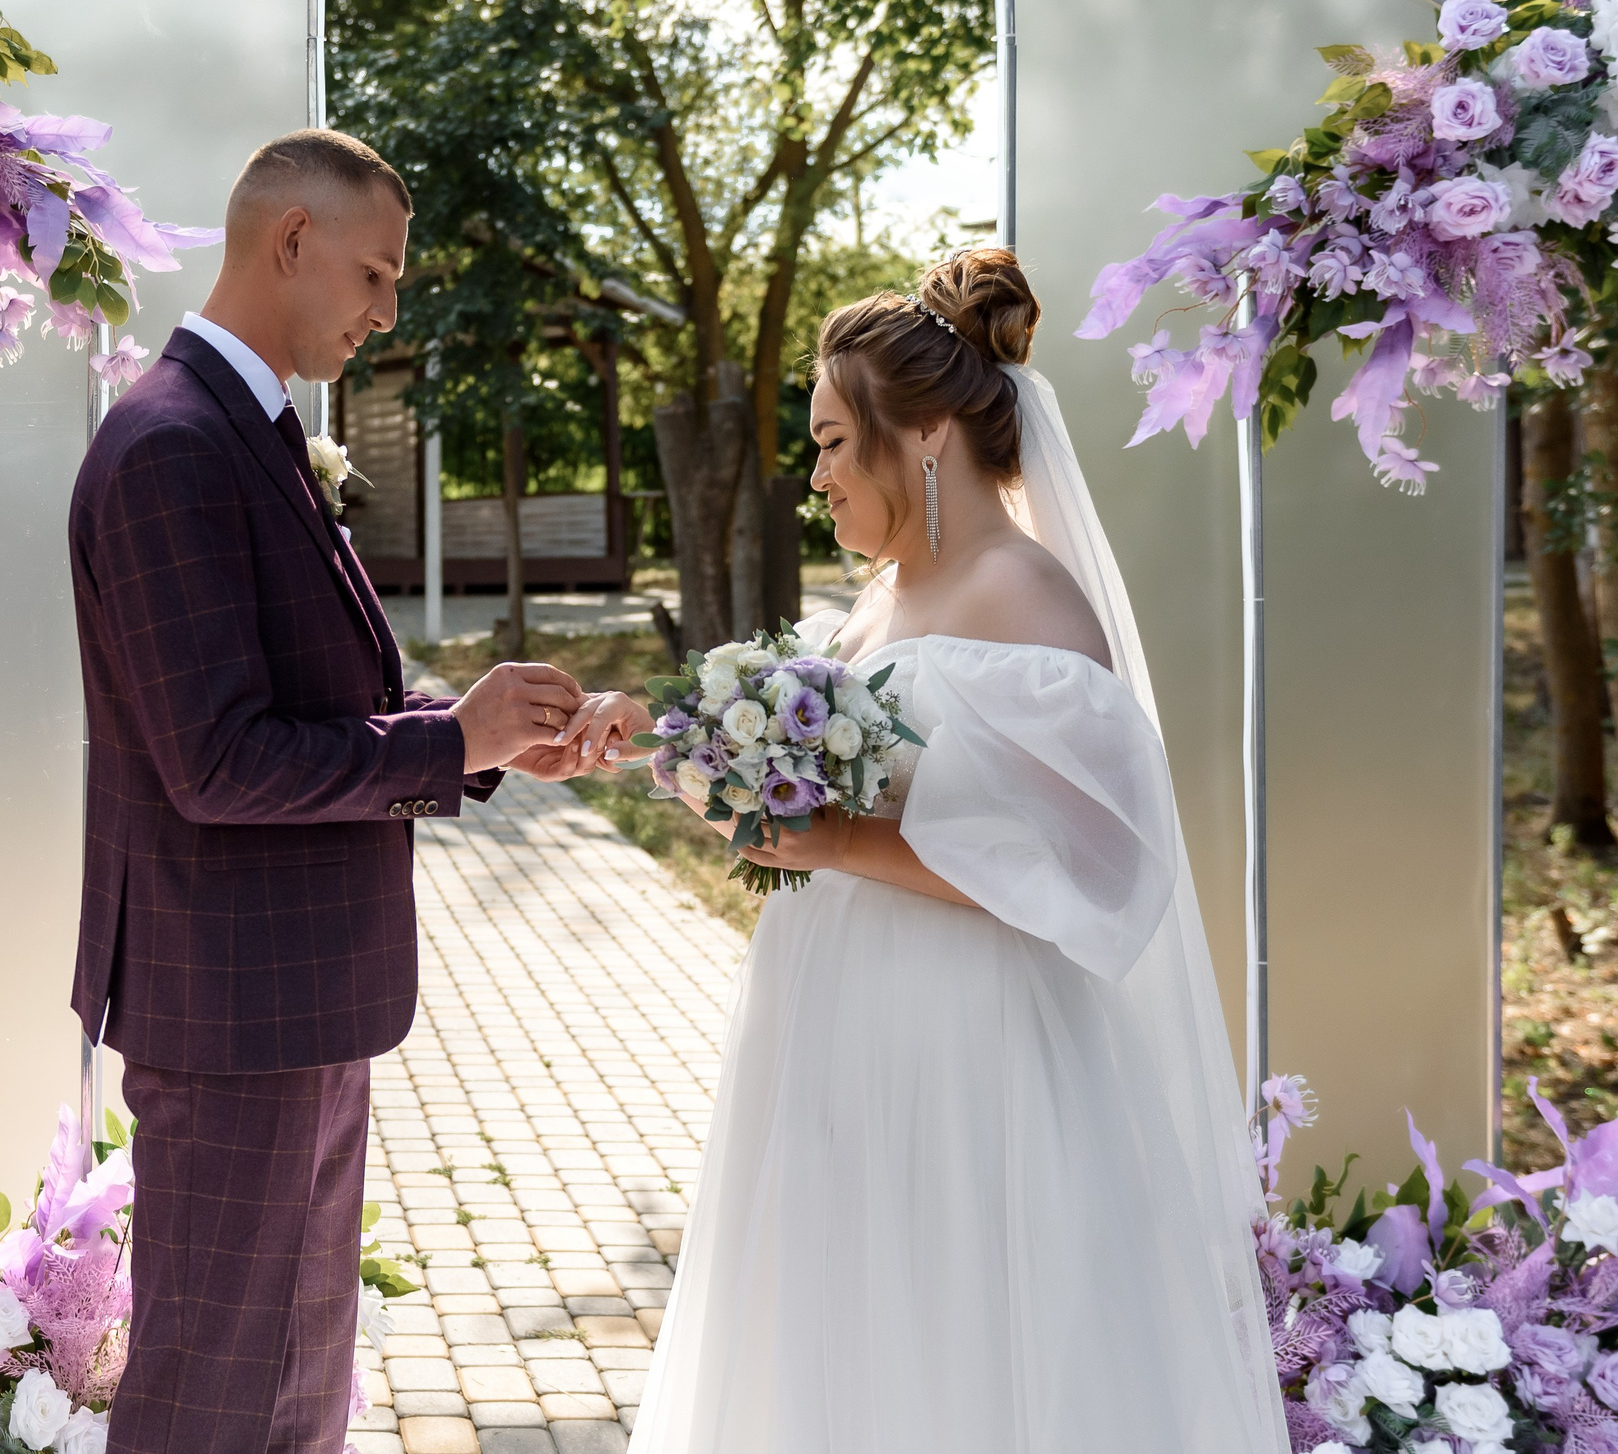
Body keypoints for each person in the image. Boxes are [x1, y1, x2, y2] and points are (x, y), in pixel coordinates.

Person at [558, 249, 1289, 1451]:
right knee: (834, 1326)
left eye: (838, 440)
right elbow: (811, 759)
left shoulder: (1029, 598)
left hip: (969, 1038)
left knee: (954, 1326)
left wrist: (838, 837)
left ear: (932, 433)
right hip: (835, 1012)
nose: (819, 473)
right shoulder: (884, 597)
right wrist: (666, 730)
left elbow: (1091, 865)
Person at [65, 128, 588, 1454]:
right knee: (213, 1394)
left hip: (292, 997)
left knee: (294, 1380)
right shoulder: (172, 445)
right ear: (291, 240)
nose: (386, 310)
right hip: (232, 1005)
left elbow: (316, 704)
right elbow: (221, 759)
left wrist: (488, 735)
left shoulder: (248, 430)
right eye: (377, 274)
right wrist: (443, 744)